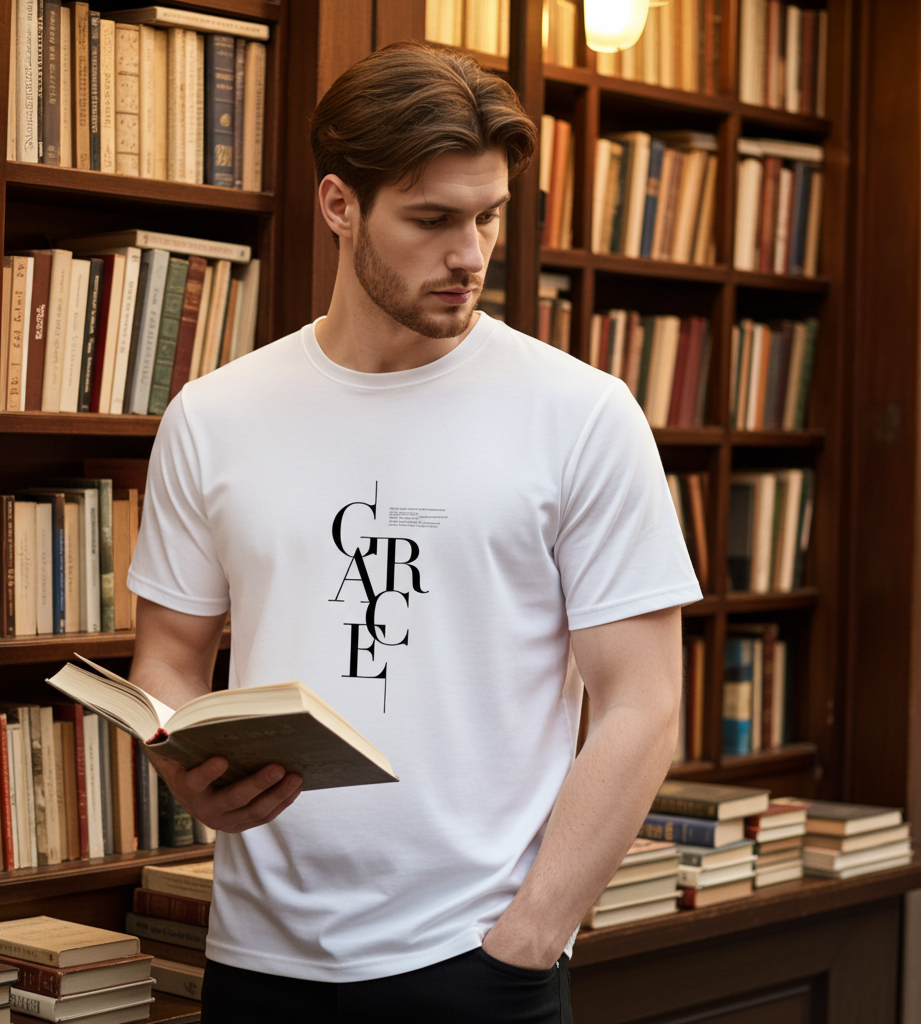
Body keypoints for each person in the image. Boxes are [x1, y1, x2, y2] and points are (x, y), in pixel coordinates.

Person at [126, 40, 702, 1024]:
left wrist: (529, 936)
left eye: (486, 216)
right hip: (257, 961)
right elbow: (168, 661)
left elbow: (642, 705)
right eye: (432, 219)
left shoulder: (579, 414)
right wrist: (182, 761)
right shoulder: (214, 415)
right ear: (340, 205)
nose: (470, 253)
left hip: (480, 964)